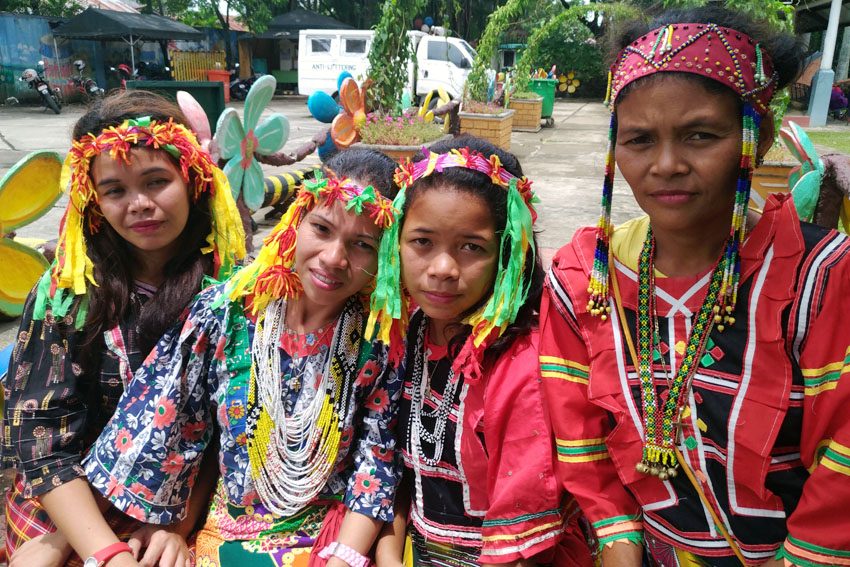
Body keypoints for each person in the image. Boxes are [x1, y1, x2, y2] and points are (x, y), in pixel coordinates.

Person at [540, 7, 850, 566]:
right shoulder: (584, 273)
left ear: (756, 135)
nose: (666, 165)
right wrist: (617, 538)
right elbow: (578, 436)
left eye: (700, 135)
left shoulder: (820, 278)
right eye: (638, 139)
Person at [82, 148, 404, 567]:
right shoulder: (225, 312)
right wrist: (173, 529)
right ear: (295, 224)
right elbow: (175, 429)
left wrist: (343, 557)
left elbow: (375, 464)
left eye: (363, 244)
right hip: (226, 531)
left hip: (330, 538)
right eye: (322, 229)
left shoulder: (380, 340)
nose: (334, 258)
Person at [2, 90, 246, 567]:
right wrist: (103, 552)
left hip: (181, 502)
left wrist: (175, 526)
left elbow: (228, 432)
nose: (139, 204)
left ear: (193, 178)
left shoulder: (233, 288)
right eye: (115, 190)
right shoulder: (67, 293)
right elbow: (40, 438)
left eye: (157, 181)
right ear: (93, 198)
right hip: (65, 502)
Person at [369, 135, 593, 567]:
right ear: (396, 241)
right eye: (422, 242)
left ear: (507, 254)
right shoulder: (404, 335)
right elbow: (394, 477)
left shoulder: (521, 364)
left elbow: (523, 543)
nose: (442, 269)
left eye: (471, 247)